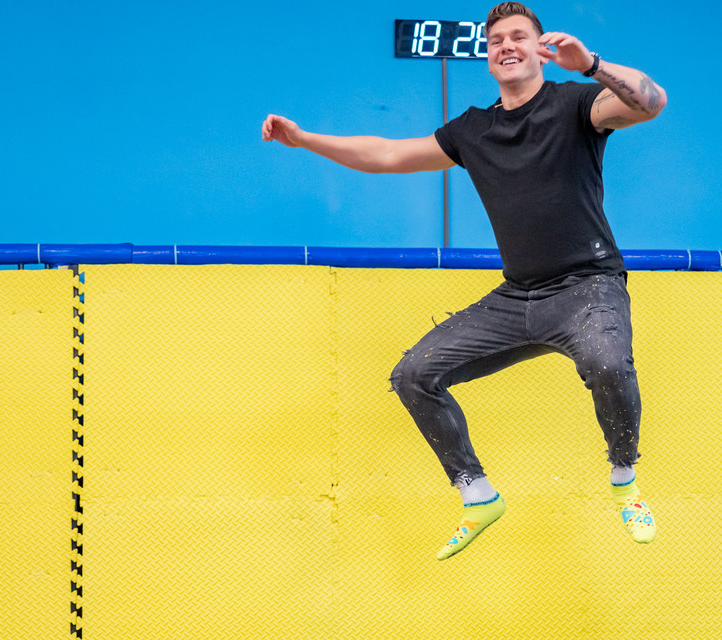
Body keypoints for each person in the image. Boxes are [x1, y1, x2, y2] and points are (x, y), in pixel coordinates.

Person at [262, 2, 665, 560]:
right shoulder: (474, 129)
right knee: (413, 375)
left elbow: (650, 102)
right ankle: (477, 496)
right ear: (489, 56)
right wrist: (306, 139)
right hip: (518, 297)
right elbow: (387, 154)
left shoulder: (575, 104)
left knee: (607, 363)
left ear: (540, 49)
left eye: (518, 36)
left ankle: (624, 481)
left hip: (587, 287)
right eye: (496, 40)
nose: (506, 45)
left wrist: (592, 64)